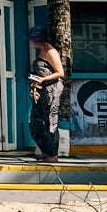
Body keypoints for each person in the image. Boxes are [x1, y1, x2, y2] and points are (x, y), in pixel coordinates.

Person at [26, 26, 65, 160]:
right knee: (36, 122)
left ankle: (53, 154)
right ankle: (46, 150)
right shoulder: (41, 51)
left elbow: (60, 73)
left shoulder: (51, 52)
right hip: (41, 90)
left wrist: (43, 79)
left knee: (50, 122)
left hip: (51, 90)